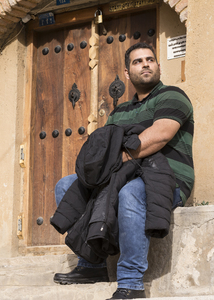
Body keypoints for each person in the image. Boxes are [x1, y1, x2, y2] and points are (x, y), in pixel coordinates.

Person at [52, 42, 194, 299]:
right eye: (138, 62)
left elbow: (160, 135)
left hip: (165, 179)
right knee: (65, 185)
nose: (145, 64)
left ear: (158, 66)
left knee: (130, 193)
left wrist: (119, 158)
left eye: (150, 59)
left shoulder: (172, 95)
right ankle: (92, 264)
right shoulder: (120, 111)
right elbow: (104, 147)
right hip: (120, 175)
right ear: (128, 73)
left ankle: (131, 282)